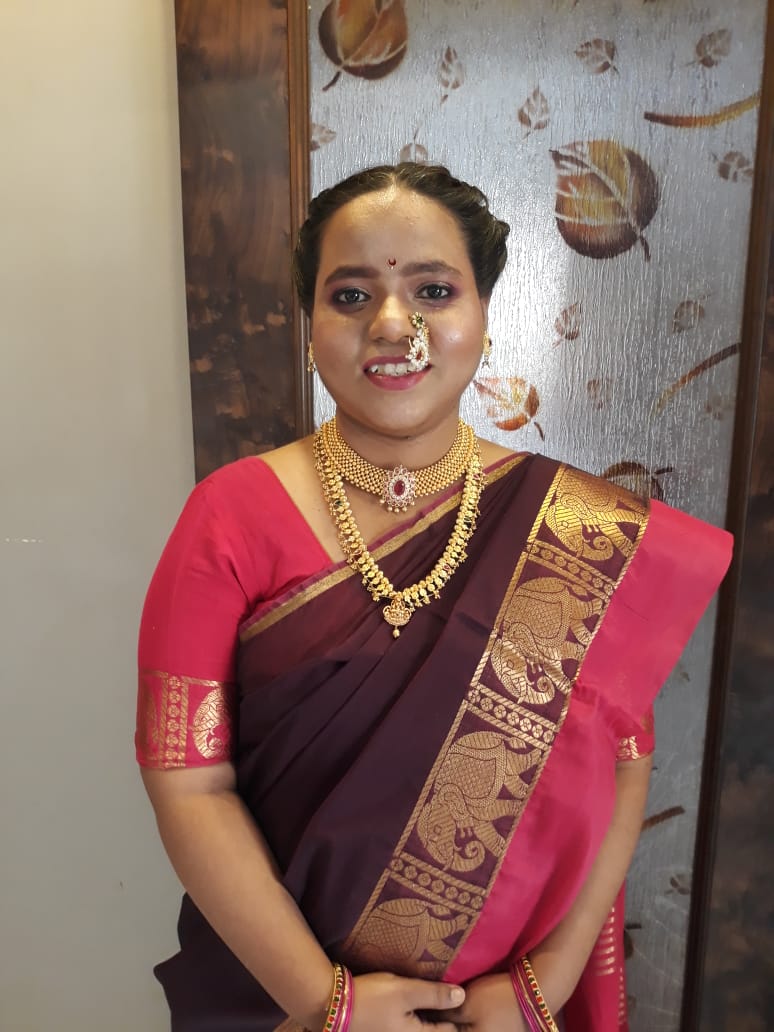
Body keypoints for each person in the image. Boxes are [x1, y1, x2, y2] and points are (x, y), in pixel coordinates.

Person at [136, 162, 732, 1032]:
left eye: (434, 290)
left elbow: (622, 758)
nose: (392, 325)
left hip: (496, 1005)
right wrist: (330, 1006)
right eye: (350, 295)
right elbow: (188, 781)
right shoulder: (228, 515)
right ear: (310, 322)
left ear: (482, 315)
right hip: (275, 1001)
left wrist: (545, 982)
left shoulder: (578, 529)